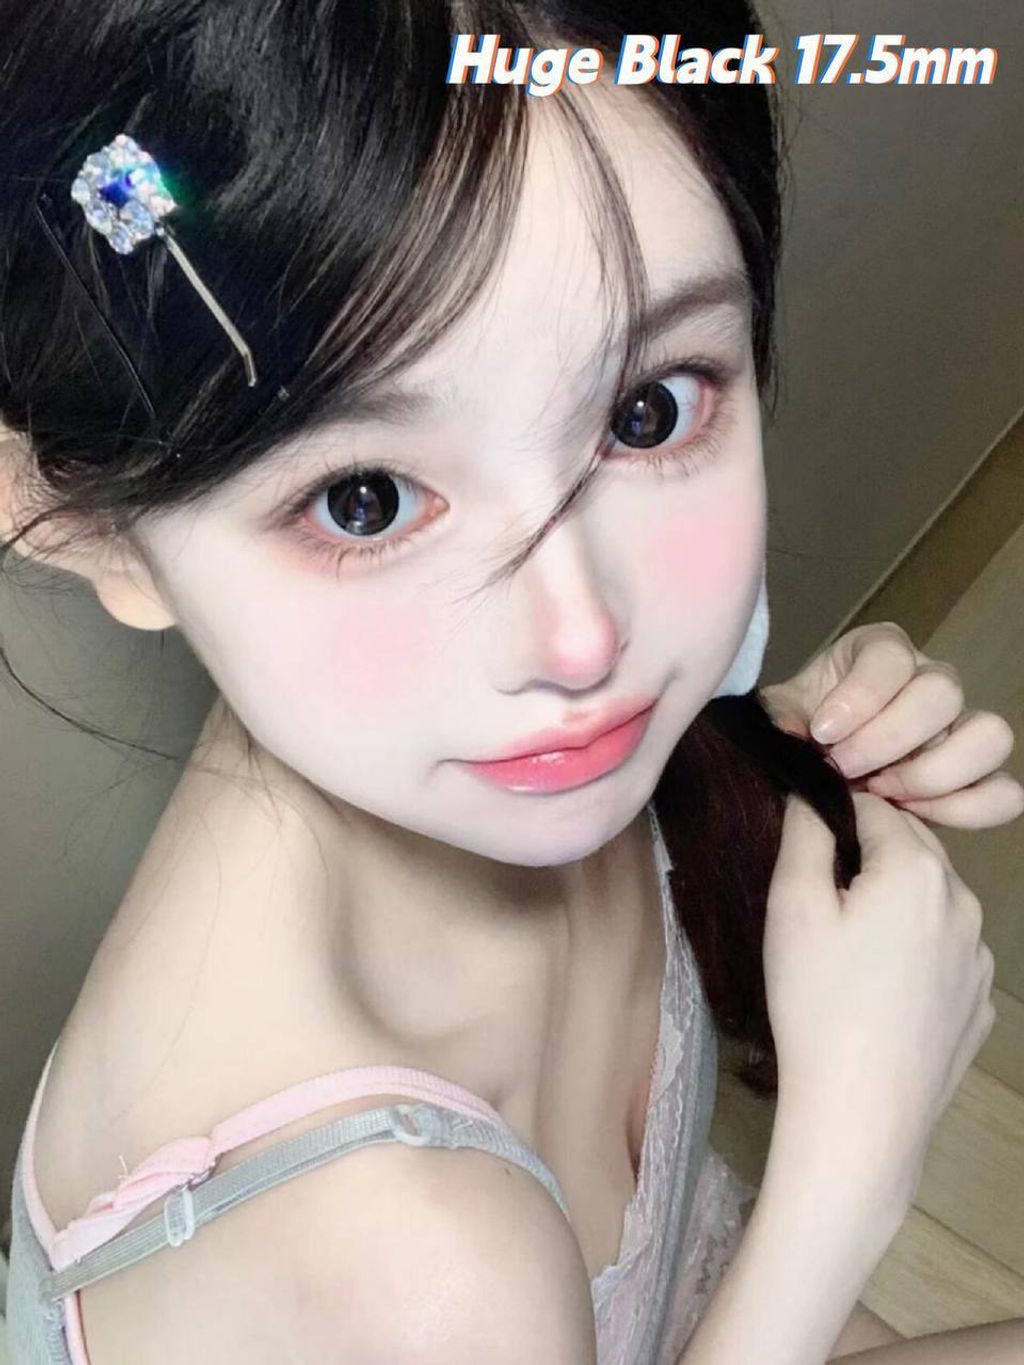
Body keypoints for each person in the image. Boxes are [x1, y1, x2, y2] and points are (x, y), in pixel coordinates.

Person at [2, 3, 1020, 1363]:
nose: (585, 639)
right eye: (366, 499)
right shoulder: (404, 1261)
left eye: (649, 410)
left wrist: (790, 747)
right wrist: (847, 1169)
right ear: (95, 531)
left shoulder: (503, 758)